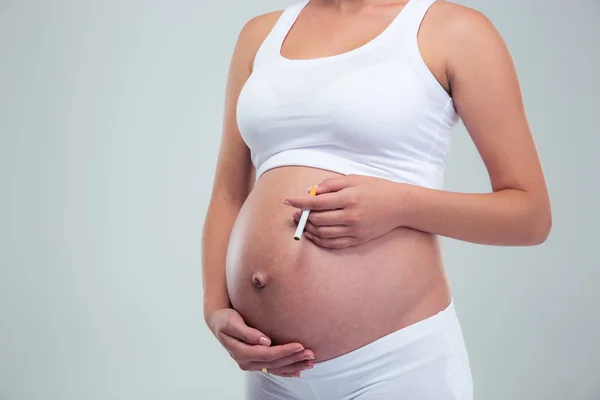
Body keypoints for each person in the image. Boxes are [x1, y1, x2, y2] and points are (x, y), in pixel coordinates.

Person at [202, 0, 551, 398]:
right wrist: (215, 309)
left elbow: (530, 215)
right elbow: (228, 194)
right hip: (274, 374)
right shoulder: (260, 35)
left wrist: (399, 205)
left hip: (395, 367)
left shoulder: (452, 30)